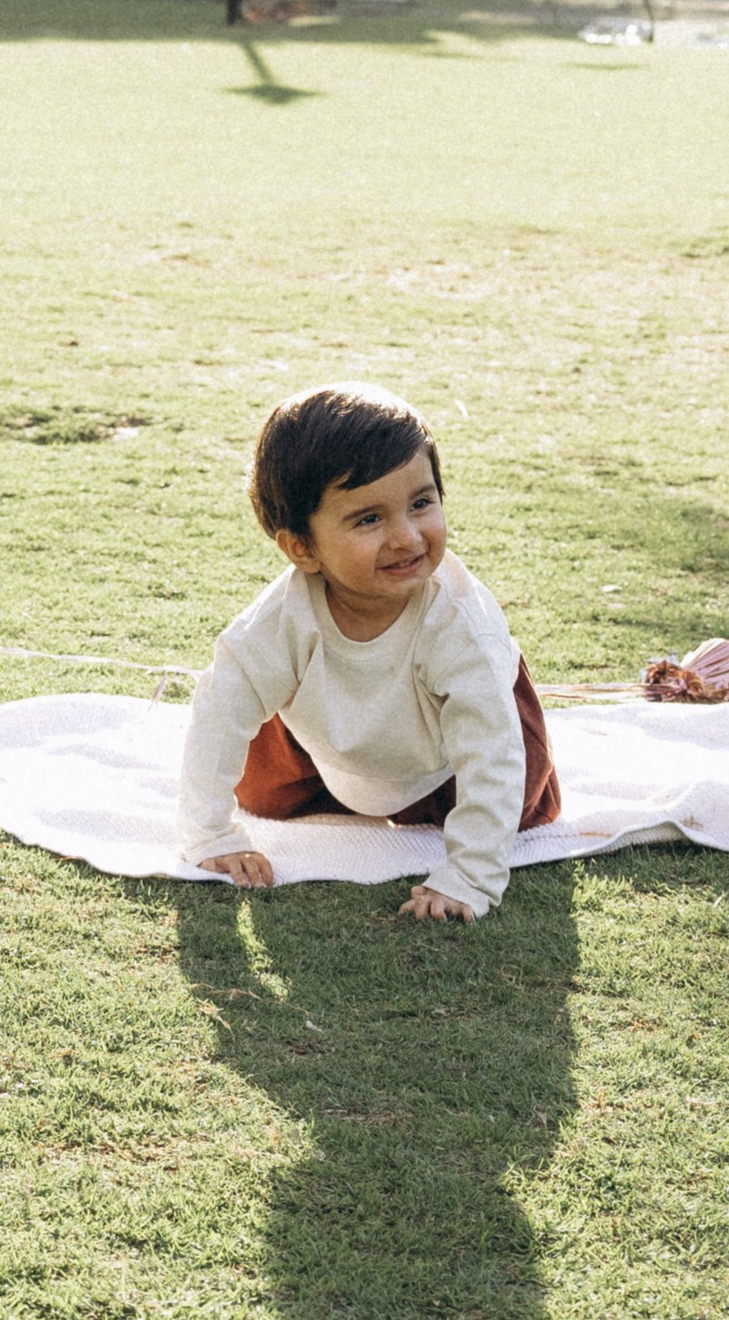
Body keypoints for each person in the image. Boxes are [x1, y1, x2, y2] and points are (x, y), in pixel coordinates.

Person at [177, 382, 559, 922]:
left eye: (421, 503)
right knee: (257, 788)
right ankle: (341, 790)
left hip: (442, 758)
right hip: (331, 744)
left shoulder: (460, 627)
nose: (407, 537)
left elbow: (491, 754)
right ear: (302, 548)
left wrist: (468, 878)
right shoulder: (281, 620)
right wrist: (210, 832)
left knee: (516, 801)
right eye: (369, 519)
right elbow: (220, 712)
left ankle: (433, 808)